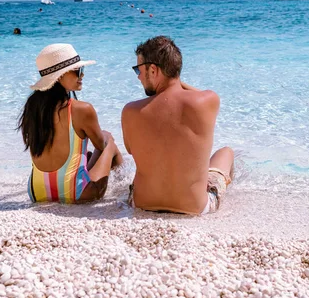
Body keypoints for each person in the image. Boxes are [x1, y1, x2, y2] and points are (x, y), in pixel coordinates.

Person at [121, 36, 234, 215]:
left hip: (142, 203)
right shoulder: (208, 101)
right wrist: (174, 80)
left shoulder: (130, 111)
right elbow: (198, 94)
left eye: (138, 70)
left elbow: (130, 149)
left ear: (153, 69)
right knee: (226, 153)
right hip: (195, 208)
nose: (139, 77)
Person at [18, 43, 122, 203]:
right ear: (59, 76)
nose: (82, 76)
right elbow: (101, 146)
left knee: (85, 155)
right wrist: (105, 138)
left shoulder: (32, 107)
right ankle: (126, 186)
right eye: (78, 71)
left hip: (37, 192)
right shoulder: (82, 109)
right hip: (76, 193)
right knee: (110, 142)